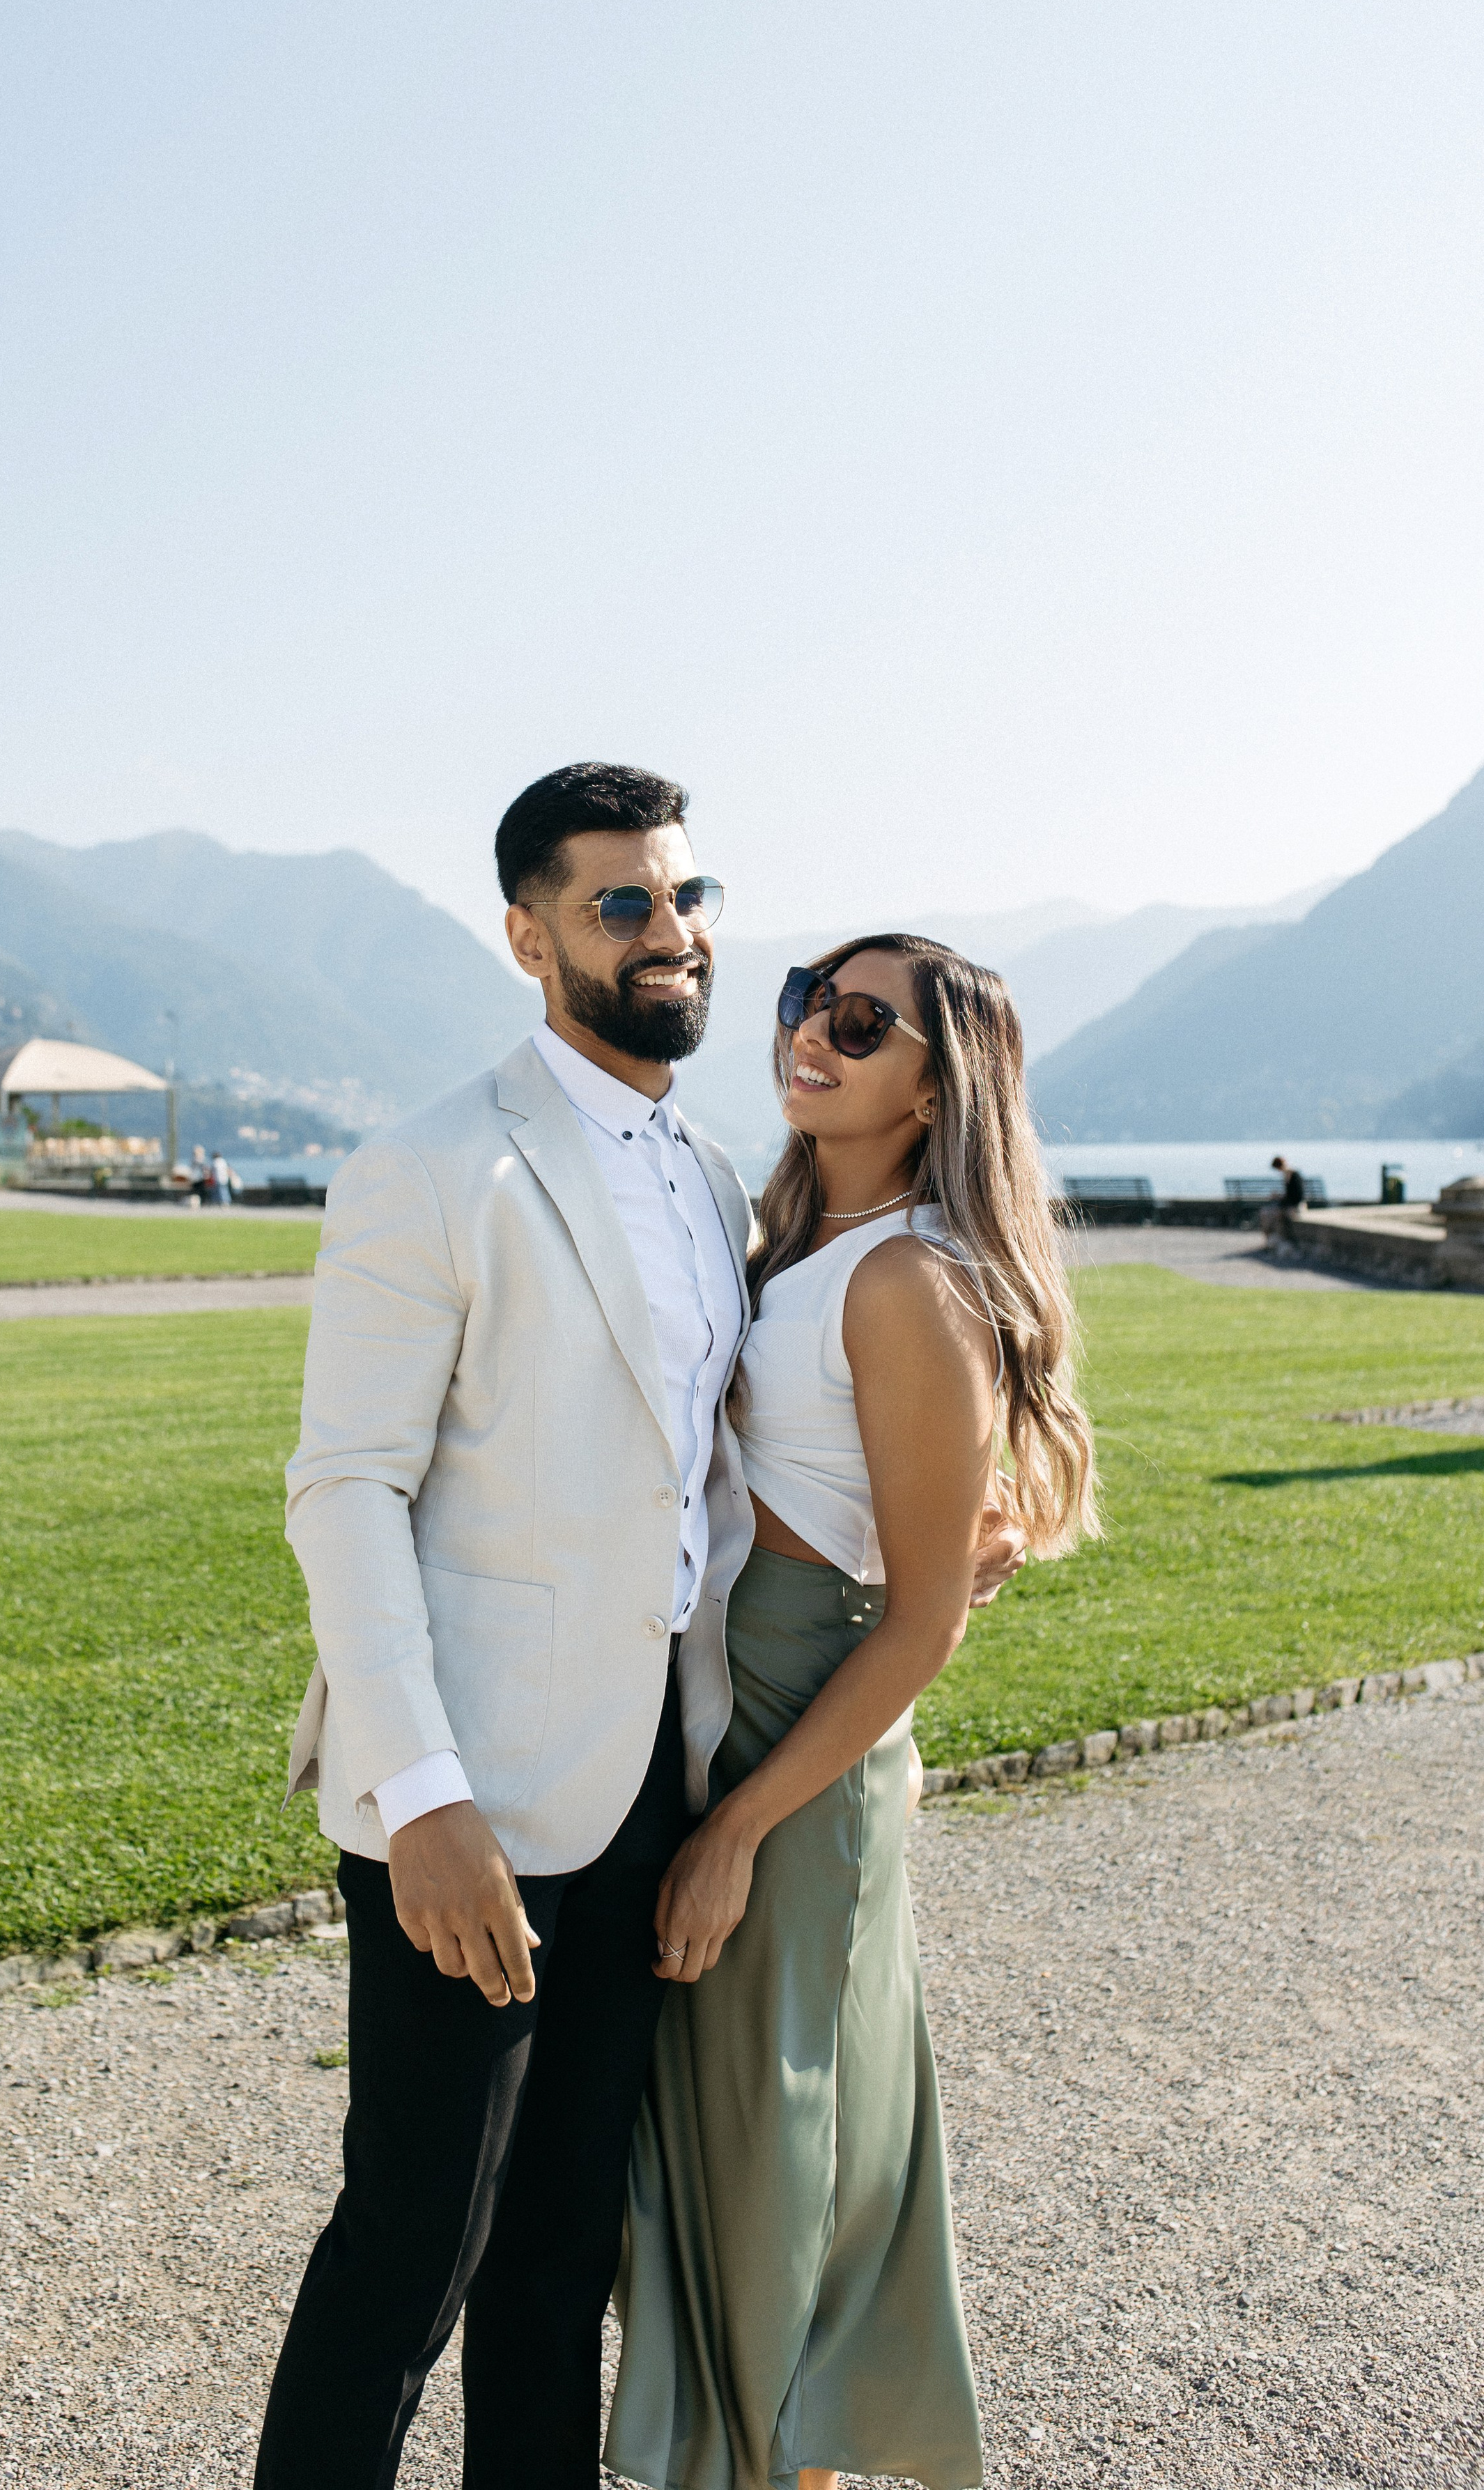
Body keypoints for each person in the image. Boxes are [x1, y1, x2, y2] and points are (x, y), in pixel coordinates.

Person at [253, 767, 1025, 2490]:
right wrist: (425, 1801)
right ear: (528, 938)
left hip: (652, 1799)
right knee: (405, 2263)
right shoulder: (430, 1168)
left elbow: (718, 1460)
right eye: (621, 905)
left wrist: (938, 1553)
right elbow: (346, 1494)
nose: (669, 935)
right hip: (470, 1805)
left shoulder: (705, 1174)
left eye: (686, 900)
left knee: (555, 2275)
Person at [606, 934, 1098, 2490]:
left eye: (860, 1019)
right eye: (807, 1000)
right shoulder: (789, 1244)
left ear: (935, 1080)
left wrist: (738, 1829)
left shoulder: (906, 1280)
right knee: (722, 2154)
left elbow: (922, 1619)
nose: (812, 1032)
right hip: (724, 1712)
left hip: (794, 1756)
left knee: (778, 2171)